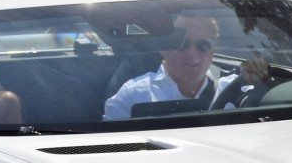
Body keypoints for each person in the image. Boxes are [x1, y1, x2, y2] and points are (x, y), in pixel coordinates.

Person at [103, 16, 268, 120]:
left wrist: (260, 76)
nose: (192, 54)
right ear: (164, 49)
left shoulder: (239, 89)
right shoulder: (133, 95)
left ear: (213, 50)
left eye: (203, 45)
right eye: (182, 44)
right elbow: (108, 148)